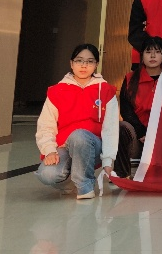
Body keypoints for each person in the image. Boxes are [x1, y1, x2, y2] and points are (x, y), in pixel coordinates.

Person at [35, 44, 118, 200]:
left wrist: (108, 160)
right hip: (64, 146)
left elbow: (111, 129)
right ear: (71, 63)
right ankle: (70, 182)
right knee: (47, 174)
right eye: (79, 60)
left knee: (79, 135)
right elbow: (46, 125)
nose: (84, 65)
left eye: (90, 61)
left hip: (93, 147)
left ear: (96, 65)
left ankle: (85, 186)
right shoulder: (57, 91)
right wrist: (49, 150)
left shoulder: (106, 91)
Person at [116, 36, 162, 178]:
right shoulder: (130, 78)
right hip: (139, 137)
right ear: (141, 55)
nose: (152, 56)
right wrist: (142, 132)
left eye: (157, 52)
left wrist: (155, 134)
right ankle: (122, 175)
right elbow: (126, 109)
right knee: (121, 127)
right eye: (148, 52)